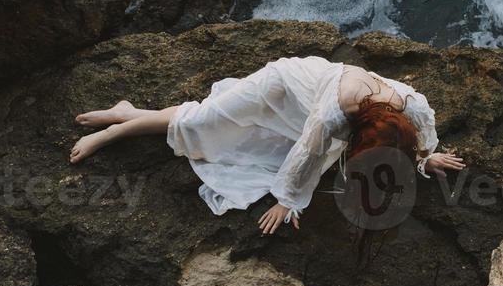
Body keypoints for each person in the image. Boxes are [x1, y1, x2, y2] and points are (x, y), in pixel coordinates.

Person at [69, 56, 466, 234]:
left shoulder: (410, 105)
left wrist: (424, 158)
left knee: (205, 117)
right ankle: (115, 129)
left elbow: (418, 130)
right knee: (202, 121)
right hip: (282, 84)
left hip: (310, 102)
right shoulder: (331, 116)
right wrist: (287, 199)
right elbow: (308, 154)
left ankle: (130, 111)